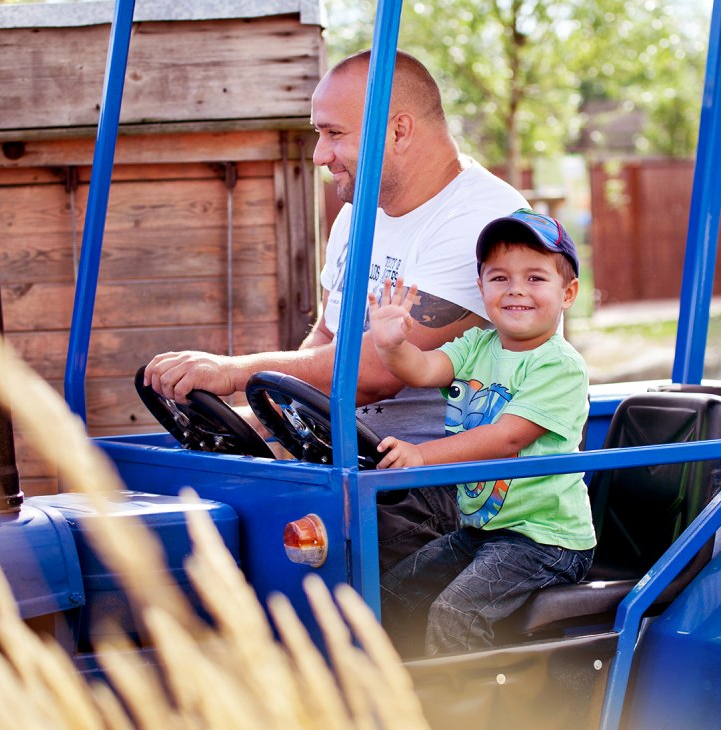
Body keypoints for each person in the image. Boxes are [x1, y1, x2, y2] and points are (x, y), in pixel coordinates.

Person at [143, 50, 529, 570]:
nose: (320, 155)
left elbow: (373, 371)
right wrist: (263, 419)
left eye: (334, 134)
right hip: (364, 465)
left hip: (460, 486)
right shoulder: (355, 215)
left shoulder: (486, 223)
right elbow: (327, 338)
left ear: (398, 130)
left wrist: (234, 371)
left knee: (309, 550)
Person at [369, 209, 594, 655]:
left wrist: (422, 455)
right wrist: (391, 344)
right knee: (388, 596)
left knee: (457, 613)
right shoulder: (478, 344)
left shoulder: (558, 364)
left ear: (567, 293)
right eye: (499, 278)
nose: (515, 289)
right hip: (481, 531)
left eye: (535, 278)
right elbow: (423, 368)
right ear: (481, 289)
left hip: (544, 538)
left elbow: (507, 438)